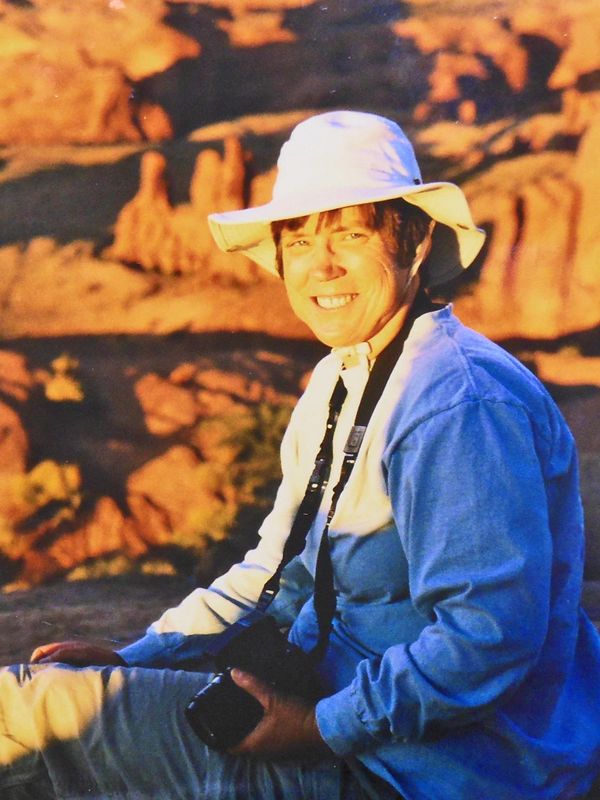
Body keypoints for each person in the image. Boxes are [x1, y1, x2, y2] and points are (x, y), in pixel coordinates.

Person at [2, 110, 599, 800]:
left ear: (414, 238)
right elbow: (274, 567)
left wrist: (315, 727)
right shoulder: (340, 378)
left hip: (424, 773)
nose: (323, 265)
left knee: (22, 712)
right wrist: (136, 659)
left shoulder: (456, 406)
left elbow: (486, 637)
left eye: (350, 233)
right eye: (301, 239)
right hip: (351, 726)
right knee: (62, 696)